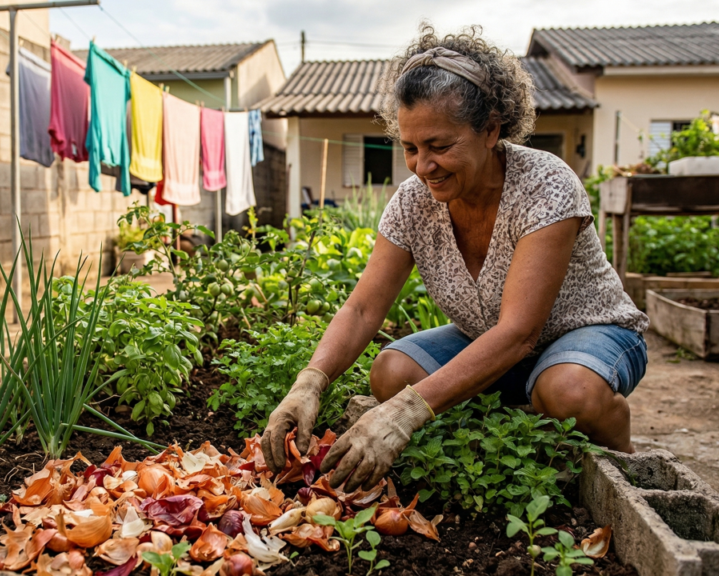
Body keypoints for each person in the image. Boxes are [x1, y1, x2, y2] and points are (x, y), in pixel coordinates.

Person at [260, 25, 649, 493]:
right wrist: (309, 382)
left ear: (490, 130)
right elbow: (362, 308)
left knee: (571, 392)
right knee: (392, 372)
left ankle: (618, 448)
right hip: (499, 348)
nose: (423, 166)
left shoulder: (544, 185)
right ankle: (524, 411)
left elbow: (520, 331)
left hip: (589, 333)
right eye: (410, 148)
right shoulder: (413, 202)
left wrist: (406, 414)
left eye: (440, 147)